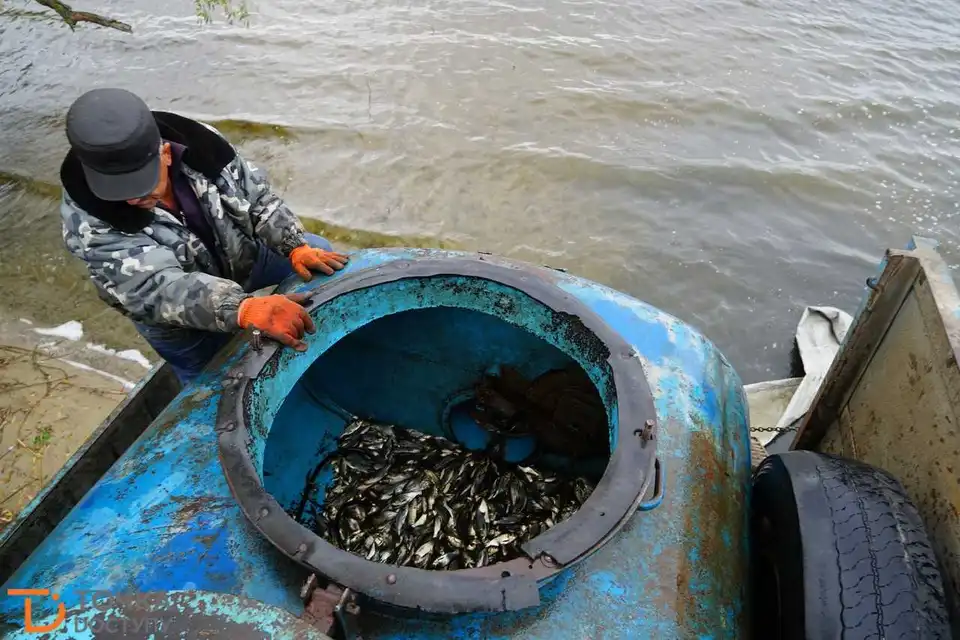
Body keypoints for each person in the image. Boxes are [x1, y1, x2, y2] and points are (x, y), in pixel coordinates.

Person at [59, 88, 350, 384]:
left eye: (141, 183)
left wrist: (292, 244)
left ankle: (328, 342)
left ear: (166, 153)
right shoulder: (88, 220)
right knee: (212, 382)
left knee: (316, 250)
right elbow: (155, 287)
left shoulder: (203, 145)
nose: (132, 198)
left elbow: (256, 197)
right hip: (175, 313)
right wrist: (241, 307)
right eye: (119, 189)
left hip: (241, 256)